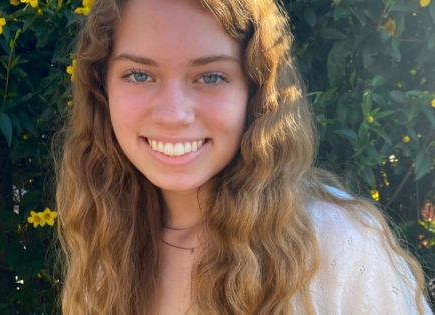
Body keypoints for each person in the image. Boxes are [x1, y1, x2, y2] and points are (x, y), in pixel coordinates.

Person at [53, 0, 433, 314]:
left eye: (211, 76)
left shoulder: (335, 247)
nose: (172, 114)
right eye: (138, 74)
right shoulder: (105, 237)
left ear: (256, 93)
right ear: (101, 90)